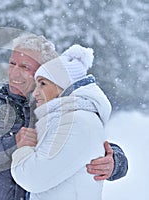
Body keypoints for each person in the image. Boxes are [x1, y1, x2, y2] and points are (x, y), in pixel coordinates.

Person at [0, 35, 128, 200]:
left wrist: (116, 162)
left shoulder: (59, 106)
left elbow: (87, 136)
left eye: (25, 67)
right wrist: (12, 144)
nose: (14, 73)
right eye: (12, 63)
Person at [11, 44, 111, 199]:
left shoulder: (76, 122)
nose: (35, 92)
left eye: (43, 84)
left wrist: (23, 149)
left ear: (64, 86)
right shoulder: (63, 118)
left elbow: (32, 178)